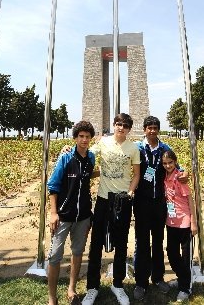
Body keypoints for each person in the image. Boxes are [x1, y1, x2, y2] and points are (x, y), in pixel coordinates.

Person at [82, 113, 140, 305]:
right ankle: (92, 287)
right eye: (118, 124)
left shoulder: (133, 148)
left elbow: (136, 174)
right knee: (96, 243)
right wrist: (70, 149)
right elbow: (87, 153)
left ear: (129, 129)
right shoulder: (103, 143)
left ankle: (118, 284)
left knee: (122, 243)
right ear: (113, 125)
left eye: (124, 125)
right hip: (103, 199)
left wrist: (131, 191)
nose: (121, 127)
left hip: (122, 201)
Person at [133, 116, 188, 301]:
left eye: (155, 127)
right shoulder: (137, 149)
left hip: (159, 203)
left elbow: (177, 168)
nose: (153, 130)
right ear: (144, 129)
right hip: (141, 202)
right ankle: (141, 282)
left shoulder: (165, 149)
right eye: (149, 127)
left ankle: (157, 278)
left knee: (157, 242)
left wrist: (185, 173)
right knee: (142, 242)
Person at [47, 120, 97, 305]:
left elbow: (89, 175)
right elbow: (53, 185)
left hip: (83, 216)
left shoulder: (91, 158)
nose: (84, 140)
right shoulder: (65, 158)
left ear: (91, 138)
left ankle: (71, 289)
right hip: (63, 216)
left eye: (87, 136)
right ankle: (52, 298)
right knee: (55, 257)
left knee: (77, 253)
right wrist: (53, 213)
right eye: (81, 136)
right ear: (75, 138)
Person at [162, 149, 197, 303]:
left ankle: (185, 288)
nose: (168, 165)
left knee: (186, 258)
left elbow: (190, 200)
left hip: (184, 223)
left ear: (175, 162)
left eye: (170, 162)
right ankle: (182, 278)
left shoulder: (180, 178)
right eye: (165, 163)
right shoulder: (165, 176)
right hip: (171, 222)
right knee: (171, 253)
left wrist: (194, 222)